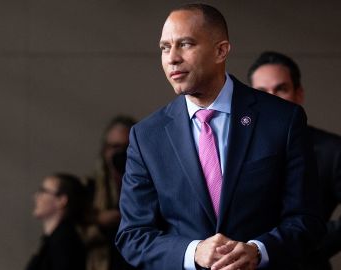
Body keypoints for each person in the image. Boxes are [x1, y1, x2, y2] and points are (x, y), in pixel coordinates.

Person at [116, 4, 325, 270]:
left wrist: (259, 251)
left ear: (221, 50)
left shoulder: (282, 120)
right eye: (165, 48)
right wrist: (194, 252)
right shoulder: (147, 136)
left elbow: (307, 219)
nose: (172, 58)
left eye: (186, 44)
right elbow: (132, 236)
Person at [248, 51, 341, 270]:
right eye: (261, 92)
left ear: (298, 94)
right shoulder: (230, 146)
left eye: (281, 89)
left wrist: (309, 241)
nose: (271, 98)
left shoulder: (331, 148)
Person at [83, 115, 136, 270]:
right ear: (105, 150)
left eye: (127, 147)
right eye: (114, 147)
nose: (120, 154)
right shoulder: (90, 189)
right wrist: (98, 221)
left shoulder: (150, 188)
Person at [26, 173, 87, 270]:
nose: (36, 196)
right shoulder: (54, 241)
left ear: (62, 200)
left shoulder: (64, 243)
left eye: (43, 191)